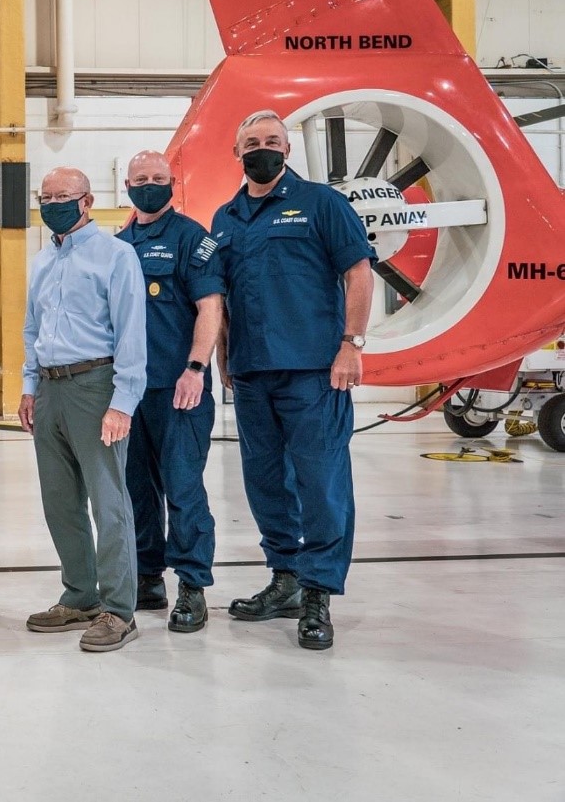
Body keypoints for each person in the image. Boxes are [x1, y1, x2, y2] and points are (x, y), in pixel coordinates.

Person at [211, 110, 375, 651]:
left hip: (315, 370)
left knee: (321, 482)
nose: (263, 148)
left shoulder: (323, 204)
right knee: (264, 481)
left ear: (287, 149)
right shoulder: (225, 219)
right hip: (254, 372)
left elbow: (358, 271)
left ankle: (318, 593)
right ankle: (283, 577)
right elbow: (219, 296)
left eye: (272, 141)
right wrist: (224, 356)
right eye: (252, 141)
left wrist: (351, 344)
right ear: (237, 153)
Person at [19, 167, 147, 653]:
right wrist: (30, 387)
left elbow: (132, 334)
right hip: (50, 389)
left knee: (108, 501)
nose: (52, 203)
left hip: (96, 385)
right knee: (60, 501)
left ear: (87, 201)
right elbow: (33, 330)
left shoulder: (117, 255)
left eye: (63, 196)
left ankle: (118, 610)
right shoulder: (41, 261)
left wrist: (122, 403)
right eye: (45, 196)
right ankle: (80, 596)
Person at [116, 150, 224, 633]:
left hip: (179, 389)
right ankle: (147, 577)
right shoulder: (117, 245)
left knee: (182, 488)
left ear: (172, 183)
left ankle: (193, 586)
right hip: (129, 392)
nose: (150, 185)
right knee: (136, 490)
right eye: (141, 179)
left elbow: (209, 306)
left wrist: (196, 367)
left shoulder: (192, 239)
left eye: (159, 178)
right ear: (127, 186)